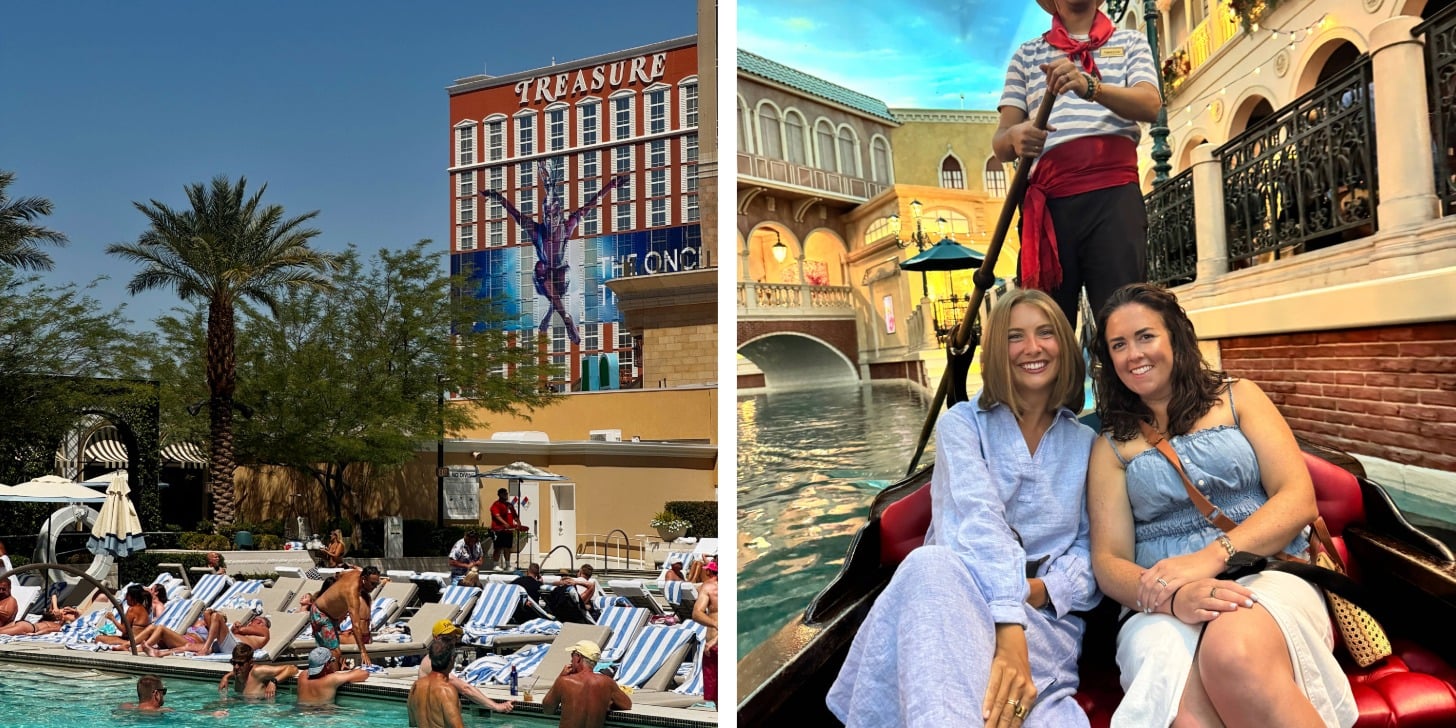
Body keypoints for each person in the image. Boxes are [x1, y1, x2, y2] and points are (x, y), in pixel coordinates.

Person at [1086, 283, 1357, 727]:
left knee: (1233, 651)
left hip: (1268, 572)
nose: (1134, 354)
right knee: (1183, 711)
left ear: (1175, 336)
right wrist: (1175, 598)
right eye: (1119, 345)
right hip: (1161, 600)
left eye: (1146, 336)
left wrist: (1211, 558)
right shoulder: (1111, 446)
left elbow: (1298, 498)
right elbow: (1109, 560)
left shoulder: (1239, 397)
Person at [827, 288, 1101, 727]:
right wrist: (1008, 623)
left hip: (1044, 622)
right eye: (1015, 337)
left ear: (1064, 346)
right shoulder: (963, 424)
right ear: (996, 349)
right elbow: (976, 525)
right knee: (930, 564)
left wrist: (1038, 592)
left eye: (1045, 333)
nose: (1032, 348)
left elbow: (1093, 551)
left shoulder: (1087, 443)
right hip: (955, 602)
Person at [993, 0, 1160, 330]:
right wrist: (1015, 136)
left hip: (1114, 199)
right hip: (1051, 208)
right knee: (1049, 327)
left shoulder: (1130, 42)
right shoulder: (1026, 56)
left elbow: (1150, 104)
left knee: (1124, 319)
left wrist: (1090, 86)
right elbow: (1000, 144)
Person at [480, 163, 629, 343]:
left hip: (561, 274)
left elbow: (592, 203)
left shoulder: (568, 225)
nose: (550, 219)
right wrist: (496, 196)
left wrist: (611, 185)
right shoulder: (535, 230)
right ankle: (567, 319)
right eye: (546, 215)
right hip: (544, 278)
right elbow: (513, 212)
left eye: (554, 214)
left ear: (560, 213)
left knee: (562, 274)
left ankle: (552, 312)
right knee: (540, 268)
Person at [416, 620, 515, 713]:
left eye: (455, 637)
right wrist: (496, 706)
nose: (452, 641)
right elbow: (464, 689)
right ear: (436, 638)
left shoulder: (441, 659)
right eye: (448, 638)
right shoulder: (431, 662)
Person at [541, 639, 632, 728]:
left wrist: (559, 678)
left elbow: (547, 710)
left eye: (572, 655)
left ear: (578, 657)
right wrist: (604, 703)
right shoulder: (608, 682)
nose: (571, 660)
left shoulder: (565, 681)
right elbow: (627, 705)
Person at [311, 566, 383, 666]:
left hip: (332, 617)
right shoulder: (352, 594)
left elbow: (339, 574)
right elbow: (356, 626)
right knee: (335, 653)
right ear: (364, 579)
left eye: (377, 584)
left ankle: (329, 674)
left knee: (330, 651)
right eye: (372, 584)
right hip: (321, 614)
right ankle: (333, 679)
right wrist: (363, 651)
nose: (374, 587)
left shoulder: (356, 572)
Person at [409, 637, 466, 728]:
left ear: (430, 657)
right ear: (452, 659)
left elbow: (413, 724)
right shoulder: (446, 690)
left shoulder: (416, 686)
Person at [296, 646, 370, 705]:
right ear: (327, 664)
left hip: (303, 713)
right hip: (323, 717)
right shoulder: (331, 679)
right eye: (333, 660)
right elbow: (364, 674)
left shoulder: (302, 675)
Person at [219, 643, 298, 698]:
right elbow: (235, 671)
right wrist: (226, 677)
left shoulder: (258, 672)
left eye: (240, 664)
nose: (236, 667)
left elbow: (292, 668)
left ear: (251, 662)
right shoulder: (239, 672)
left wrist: (274, 681)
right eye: (233, 662)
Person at [692, 561, 719, 705]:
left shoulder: (708, 587)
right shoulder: (708, 587)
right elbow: (696, 613)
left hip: (714, 643)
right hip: (712, 647)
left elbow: (697, 613)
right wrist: (716, 624)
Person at [488, 489, 527, 570]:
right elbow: (497, 515)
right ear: (499, 494)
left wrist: (518, 522)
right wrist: (504, 523)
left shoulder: (510, 505)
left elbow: (515, 515)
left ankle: (507, 565)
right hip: (499, 530)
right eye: (504, 493)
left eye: (506, 493)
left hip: (509, 530)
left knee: (507, 547)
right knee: (498, 547)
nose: (506, 495)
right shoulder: (496, 505)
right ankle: (495, 565)